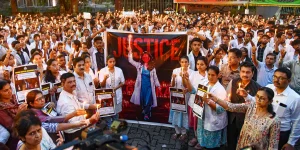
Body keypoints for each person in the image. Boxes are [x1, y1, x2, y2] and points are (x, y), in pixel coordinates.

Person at [208, 87, 280, 150]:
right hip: (243, 146)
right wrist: (216, 99)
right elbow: (231, 107)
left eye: (262, 98)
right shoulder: (251, 107)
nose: (258, 100)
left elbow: (273, 145)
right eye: (257, 96)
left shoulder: (273, 120)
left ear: (270, 101)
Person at [186, 66, 227, 150]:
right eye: (209, 74)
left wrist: (207, 101)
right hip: (202, 118)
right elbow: (194, 91)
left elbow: (221, 109)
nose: (210, 77)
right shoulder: (204, 83)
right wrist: (187, 80)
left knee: (212, 146)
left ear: (218, 75)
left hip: (213, 121)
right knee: (203, 142)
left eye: (213, 75)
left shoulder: (220, 89)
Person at [226, 61, 261, 150]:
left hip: (247, 120)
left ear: (253, 73)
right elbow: (227, 97)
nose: (245, 74)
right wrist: (228, 100)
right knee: (231, 141)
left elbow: (258, 105)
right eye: (243, 71)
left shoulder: (257, 87)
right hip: (232, 118)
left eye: (248, 72)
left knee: (245, 144)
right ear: (240, 72)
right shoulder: (233, 82)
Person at [56, 73, 100, 142]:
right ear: (62, 84)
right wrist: (90, 120)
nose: (73, 84)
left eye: (74, 81)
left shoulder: (71, 92)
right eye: (70, 82)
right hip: (75, 133)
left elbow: (77, 103)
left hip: (81, 127)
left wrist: (91, 106)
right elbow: (74, 123)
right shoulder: (65, 102)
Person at [127, 47, 161, 120]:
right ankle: (143, 111)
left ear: (149, 58)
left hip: (149, 87)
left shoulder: (152, 67)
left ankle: (147, 114)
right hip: (141, 86)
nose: (145, 58)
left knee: (148, 100)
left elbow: (155, 77)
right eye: (144, 57)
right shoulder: (139, 65)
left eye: (146, 56)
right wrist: (130, 52)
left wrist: (158, 85)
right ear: (142, 58)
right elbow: (130, 60)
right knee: (141, 100)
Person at [169, 55, 193, 141]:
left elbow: (187, 86)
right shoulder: (175, 70)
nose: (184, 64)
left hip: (185, 96)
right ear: (180, 62)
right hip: (176, 94)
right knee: (175, 112)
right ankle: (177, 131)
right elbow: (171, 85)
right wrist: (174, 78)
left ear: (188, 63)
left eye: (186, 62)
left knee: (184, 113)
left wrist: (183, 77)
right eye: (182, 62)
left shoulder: (191, 72)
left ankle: (184, 132)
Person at [186, 56, 208, 148]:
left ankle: (202, 140)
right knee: (195, 122)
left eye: (202, 64)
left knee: (202, 123)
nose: (199, 66)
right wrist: (186, 80)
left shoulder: (209, 75)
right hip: (194, 101)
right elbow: (189, 87)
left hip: (204, 103)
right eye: (198, 64)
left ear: (206, 65)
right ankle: (196, 137)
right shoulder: (193, 74)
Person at [98, 55, 125, 127]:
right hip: (107, 96)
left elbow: (123, 82)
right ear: (107, 62)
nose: (112, 63)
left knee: (116, 114)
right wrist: (104, 79)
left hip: (116, 94)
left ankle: (115, 128)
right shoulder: (102, 71)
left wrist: (115, 89)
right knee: (107, 114)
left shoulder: (119, 70)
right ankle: (109, 129)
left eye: (114, 61)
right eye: (110, 62)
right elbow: (102, 85)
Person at [0, 79, 27, 149]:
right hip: (16, 137)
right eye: (5, 90)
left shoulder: (15, 99)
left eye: (10, 88)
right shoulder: (1, 109)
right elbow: (11, 127)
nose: (10, 92)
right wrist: (18, 114)